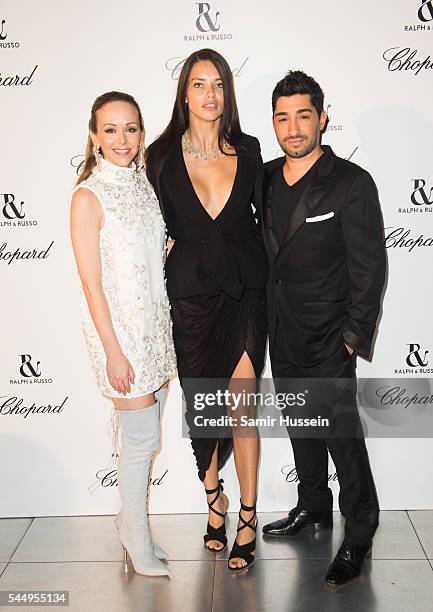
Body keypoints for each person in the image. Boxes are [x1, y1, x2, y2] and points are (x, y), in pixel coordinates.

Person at [260, 71, 386, 587]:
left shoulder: (351, 183)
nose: (293, 128)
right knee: (300, 427)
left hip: (331, 337)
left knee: (341, 436)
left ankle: (360, 532)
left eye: (303, 116)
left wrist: (353, 338)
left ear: (322, 118)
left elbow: (369, 266)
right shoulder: (264, 178)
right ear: (274, 122)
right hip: (281, 332)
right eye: (283, 117)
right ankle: (313, 506)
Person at [146, 49, 267, 571]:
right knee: (205, 410)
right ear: (184, 93)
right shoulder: (160, 156)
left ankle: (246, 514)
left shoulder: (250, 148)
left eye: (218, 84)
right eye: (199, 84)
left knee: (241, 405)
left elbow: (273, 215)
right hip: (191, 297)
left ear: (227, 93)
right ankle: (213, 495)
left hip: (246, 291)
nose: (210, 94)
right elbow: (146, 226)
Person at [70, 91, 177, 577]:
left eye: (130, 128)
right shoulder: (88, 195)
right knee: (138, 438)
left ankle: (131, 523)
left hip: (155, 326)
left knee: (147, 437)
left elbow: (144, 256)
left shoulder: (142, 186)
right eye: (110, 130)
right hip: (120, 335)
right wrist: (113, 351)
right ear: (93, 137)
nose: (121, 139)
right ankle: (134, 535)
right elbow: (92, 282)